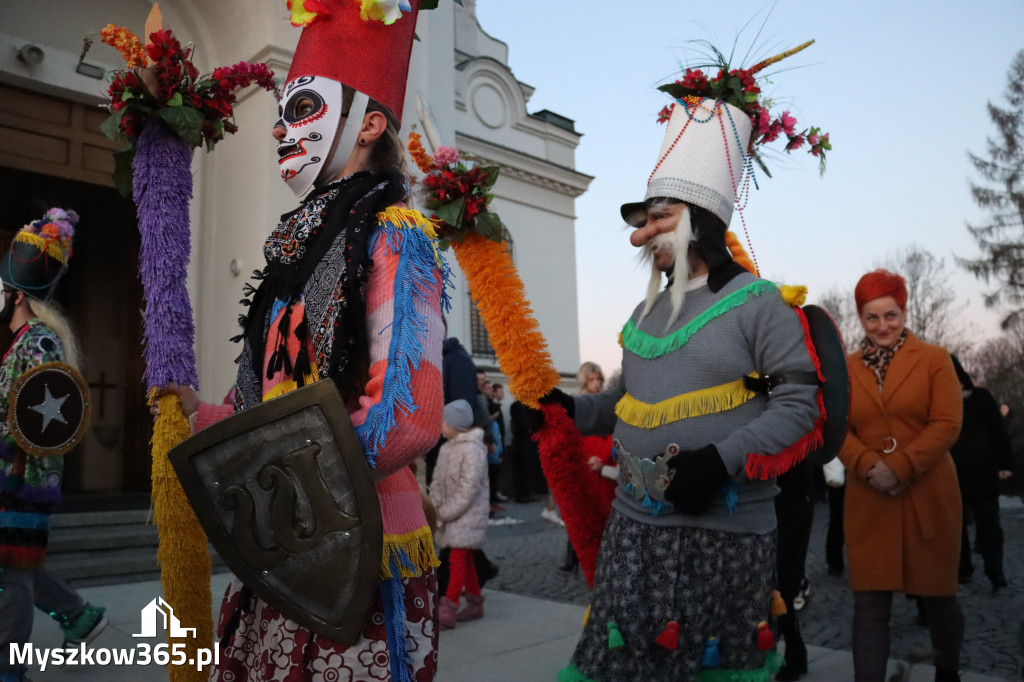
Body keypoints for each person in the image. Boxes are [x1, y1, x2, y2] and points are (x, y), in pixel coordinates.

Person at [158, 4, 448, 679]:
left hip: (356, 545)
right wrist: (201, 414)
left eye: (305, 108)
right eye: (281, 114)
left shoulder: (396, 236)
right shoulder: (292, 254)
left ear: (370, 123)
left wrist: (295, 489)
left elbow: (408, 417)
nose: (285, 129)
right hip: (282, 543)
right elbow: (264, 400)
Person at [548, 56, 825, 680]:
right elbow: (626, 398)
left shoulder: (760, 304)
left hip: (722, 538)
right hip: (633, 534)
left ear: (702, 219)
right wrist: (572, 408)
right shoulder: (644, 314)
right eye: (641, 222)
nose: (640, 237)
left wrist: (719, 461)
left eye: (657, 218)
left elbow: (798, 405)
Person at [839, 269, 964, 682]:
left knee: (940, 599)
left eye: (890, 315)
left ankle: (948, 672)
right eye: (871, 318)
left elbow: (946, 423)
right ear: (861, 318)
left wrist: (900, 466)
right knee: (870, 604)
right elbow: (835, 426)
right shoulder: (847, 368)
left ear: (904, 311)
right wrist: (866, 465)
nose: (882, 327)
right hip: (869, 497)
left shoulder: (933, 360)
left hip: (929, 495)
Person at [0, 208, 106, 682]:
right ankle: (79, 614)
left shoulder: (38, 343)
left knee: (11, 573)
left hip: (22, 479)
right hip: (9, 476)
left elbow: (39, 424)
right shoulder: (22, 340)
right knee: (11, 566)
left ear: (17, 295)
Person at [948, 355, 1013, 592]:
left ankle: (995, 571)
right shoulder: (940, 401)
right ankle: (963, 569)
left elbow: (998, 431)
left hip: (983, 472)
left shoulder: (982, 398)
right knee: (956, 526)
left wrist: (1005, 464)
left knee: (990, 526)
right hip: (952, 474)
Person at [430, 399, 489, 629]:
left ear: (453, 424)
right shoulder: (446, 448)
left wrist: (446, 512)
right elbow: (436, 481)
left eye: (443, 421)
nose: (441, 426)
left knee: (456, 560)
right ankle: (475, 603)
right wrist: (435, 504)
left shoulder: (474, 449)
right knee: (466, 560)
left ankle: (449, 605)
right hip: (449, 513)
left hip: (467, 515)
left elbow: (469, 488)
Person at [561, 362, 617, 573]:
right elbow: (570, 439)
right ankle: (574, 554)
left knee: (605, 509)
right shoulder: (576, 404)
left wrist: (603, 459)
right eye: (591, 380)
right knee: (581, 510)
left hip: (605, 461)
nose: (595, 384)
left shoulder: (606, 402)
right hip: (585, 461)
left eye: (598, 380)